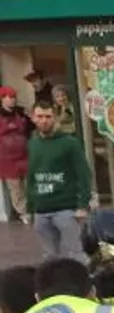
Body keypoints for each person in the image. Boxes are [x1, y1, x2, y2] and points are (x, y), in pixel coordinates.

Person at [26, 103, 94, 259]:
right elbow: (30, 176)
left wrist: (83, 205)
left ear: (55, 118)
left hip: (66, 209)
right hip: (41, 210)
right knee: (49, 256)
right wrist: (29, 208)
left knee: (76, 253)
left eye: (48, 117)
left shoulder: (70, 143)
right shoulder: (33, 143)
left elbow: (83, 174)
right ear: (33, 118)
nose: (44, 121)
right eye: (40, 116)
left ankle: (84, 282)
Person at [0, 87, 29, 223]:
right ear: (2, 99)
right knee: (15, 187)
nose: (12, 100)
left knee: (29, 183)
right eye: (9, 97)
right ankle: (23, 213)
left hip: (24, 154)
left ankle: (32, 208)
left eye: (13, 97)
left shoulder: (21, 113)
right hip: (7, 159)